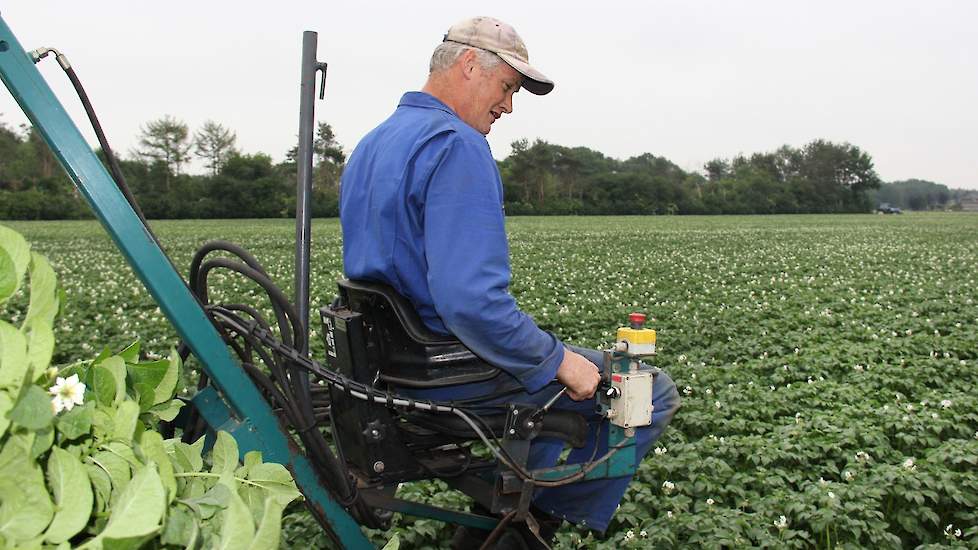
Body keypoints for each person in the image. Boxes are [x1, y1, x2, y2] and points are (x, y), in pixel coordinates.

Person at [339, 16, 680, 546]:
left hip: (396, 368)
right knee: (648, 389)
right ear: (471, 65)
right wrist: (559, 361)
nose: (508, 106)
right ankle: (532, 525)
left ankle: (514, 507)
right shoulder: (457, 145)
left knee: (542, 391)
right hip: (451, 371)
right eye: (507, 88)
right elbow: (471, 304)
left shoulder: (374, 142)